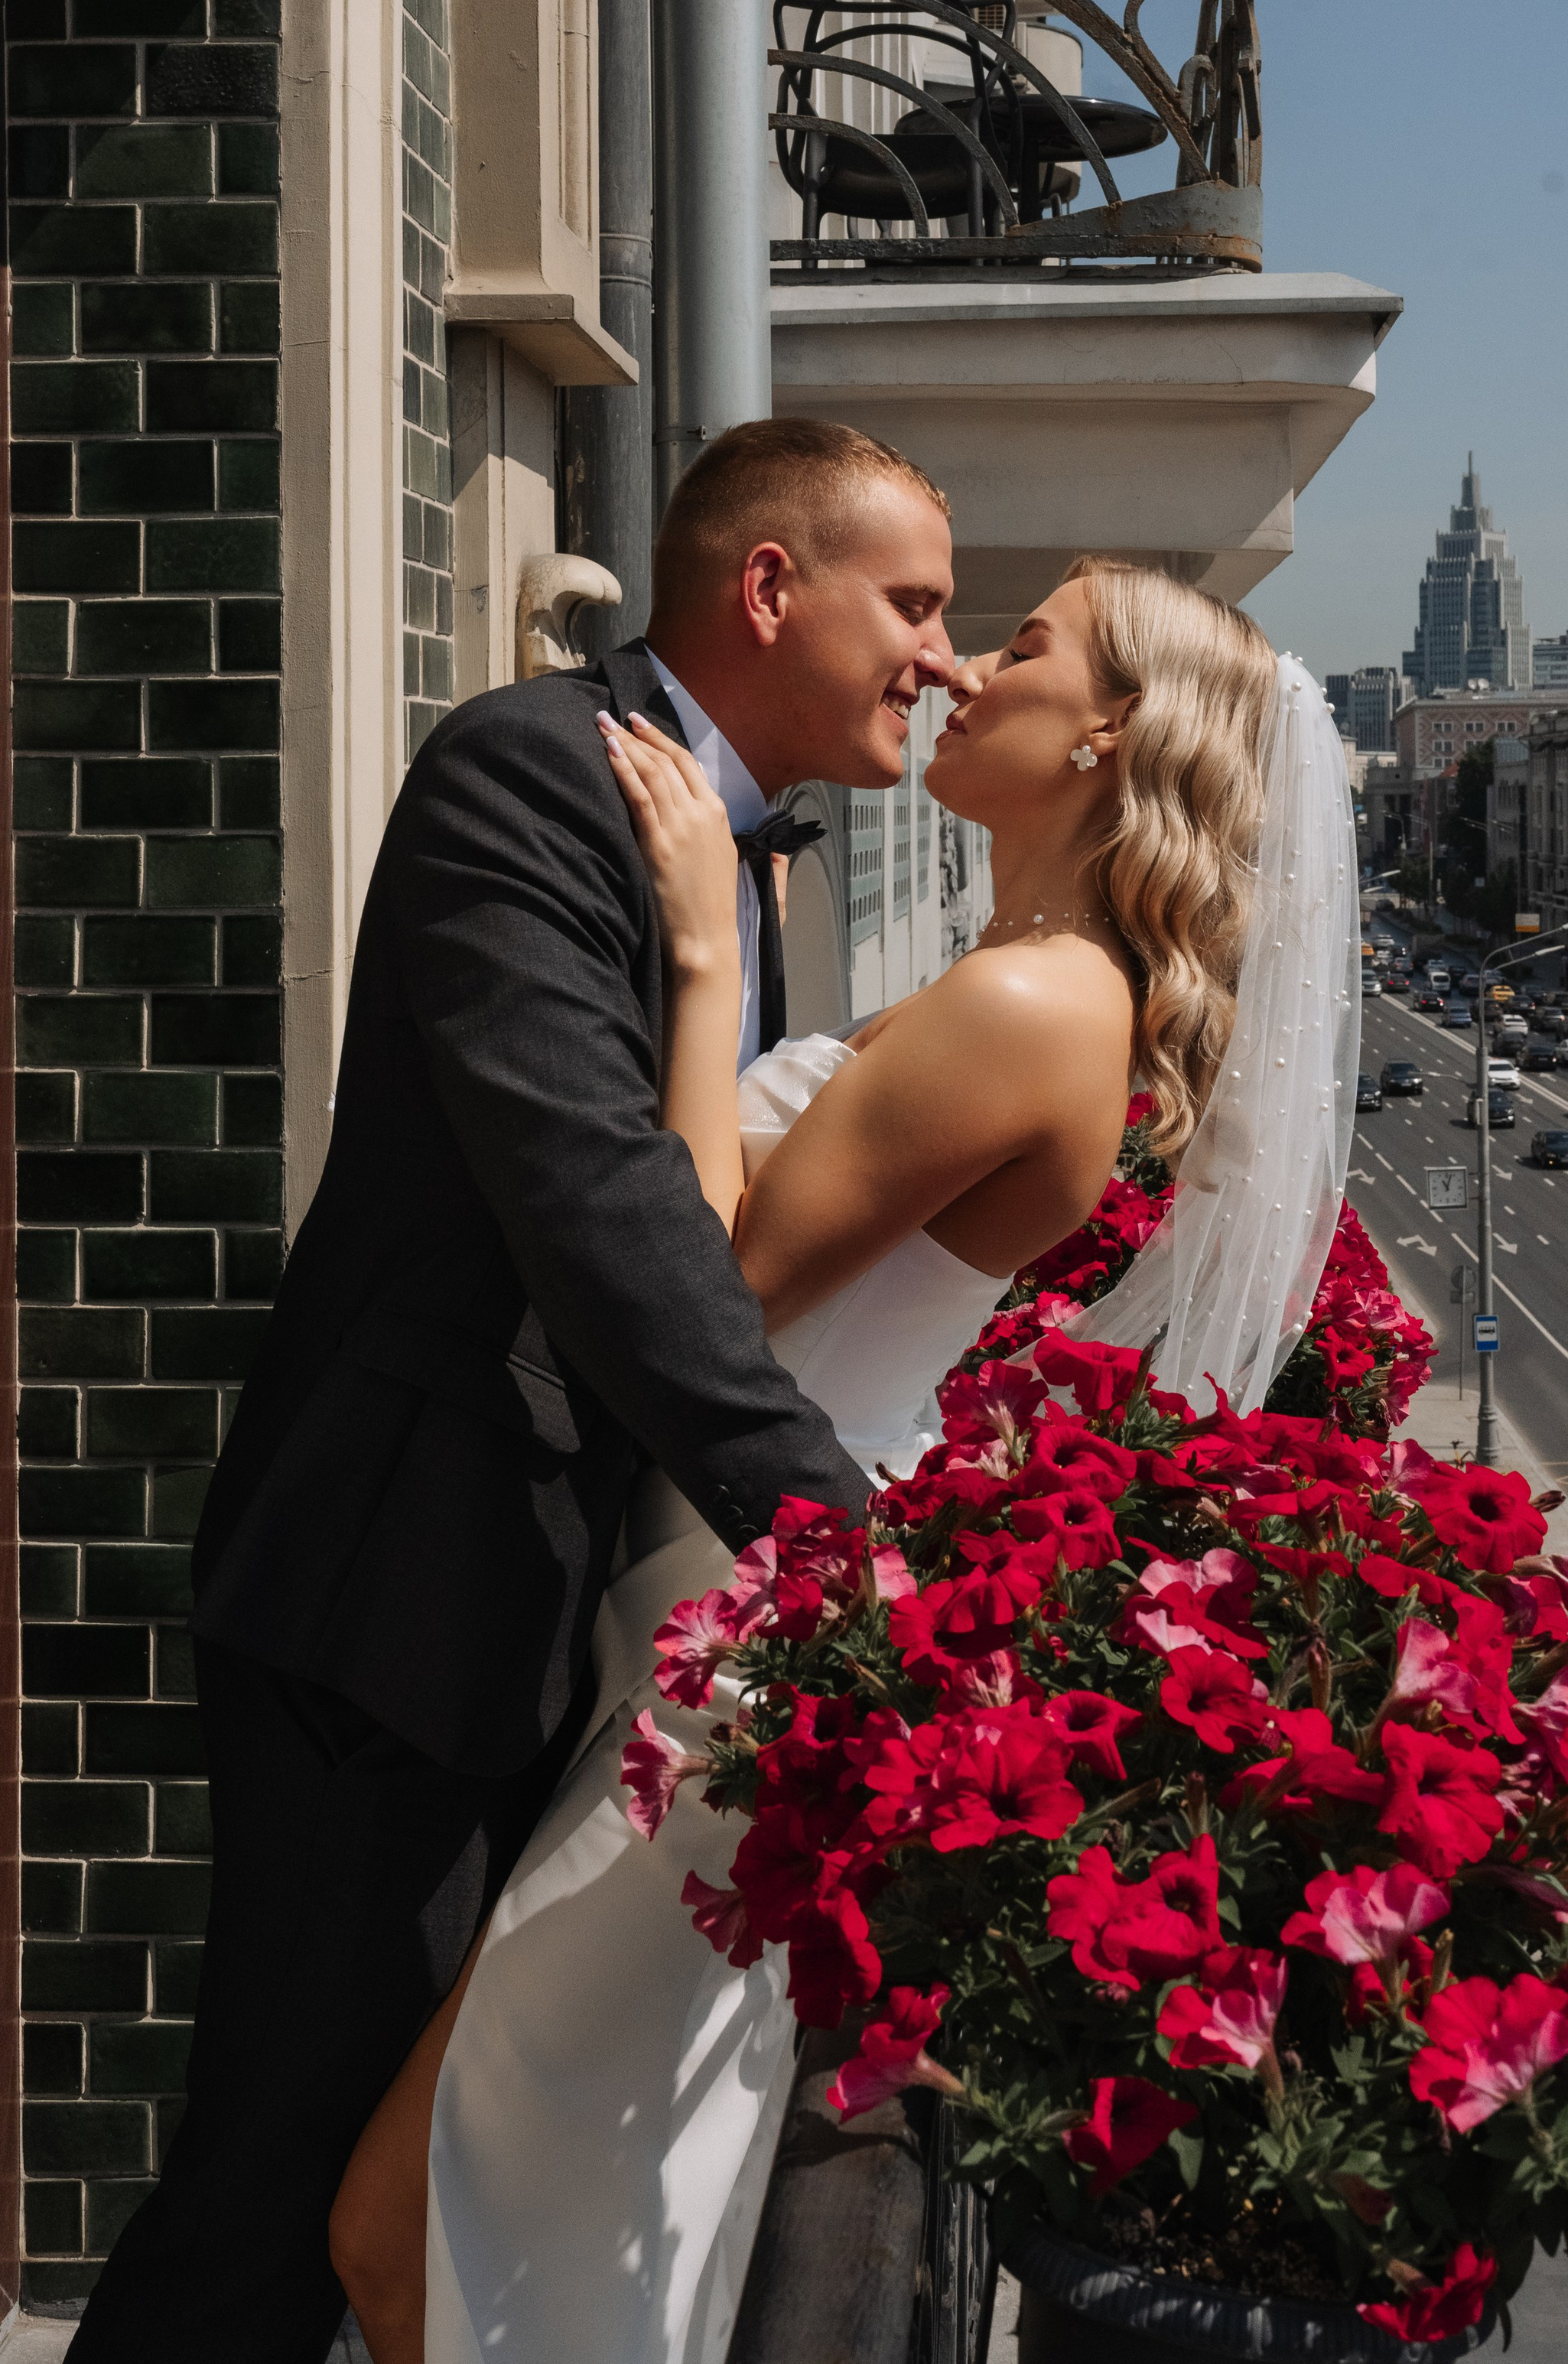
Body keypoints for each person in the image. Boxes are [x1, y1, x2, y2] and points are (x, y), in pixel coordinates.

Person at [327, 559, 1359, 2364]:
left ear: (1111, 732)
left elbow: (707, 1289)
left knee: (433, 2224)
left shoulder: (1041, 1004)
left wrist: (708, 954)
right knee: (544, 2224)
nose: (965, 665)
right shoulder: (1018, 982)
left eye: (1022, 642)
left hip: (738, 1649)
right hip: (703, 1601)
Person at [69, 420, 958, 2364]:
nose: (944, 656)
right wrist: (854, 1565)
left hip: (536, 1624)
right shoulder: (530, 771)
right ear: (766, 586)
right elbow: (607, 1215)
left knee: (394, 2183)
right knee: (276, 2197)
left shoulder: (730, 854)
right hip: (394, 1606)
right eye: (914, 602)